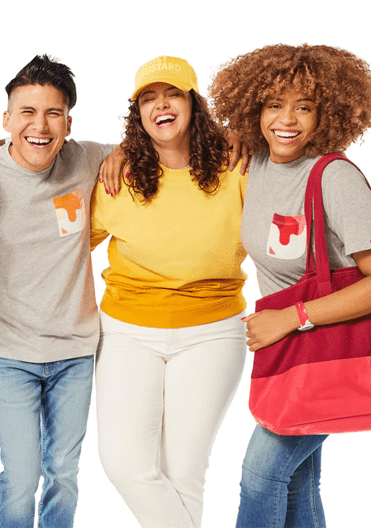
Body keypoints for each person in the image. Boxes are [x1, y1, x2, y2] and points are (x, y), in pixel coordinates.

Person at [210, 43, 371, 528]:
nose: (287, 120)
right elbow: (173, 132)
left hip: (328, 352)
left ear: (328, 114)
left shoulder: (333, 177)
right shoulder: (258, 160)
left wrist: (292, 317)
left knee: (261, 475)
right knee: (299, 482)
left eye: (304, 107)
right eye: (273, 105)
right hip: (288, 354)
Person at [90, 56, 248, 528]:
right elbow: (68, 245)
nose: (161, 104)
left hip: (213, 331)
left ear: (194, 104)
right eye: (148, 98)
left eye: (173, 94)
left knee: (184, 473)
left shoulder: (236, 167)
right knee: (124, 464)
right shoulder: (118, 178)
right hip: (126, 331)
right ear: (137, 114)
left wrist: (245, 134)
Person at [0, 54, 115, 528]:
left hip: (75, 350)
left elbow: (155, 143)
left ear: (68, 123)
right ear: (6, 120)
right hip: (6, 350)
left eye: (54, 113)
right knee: (21, 473)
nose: (40, 125)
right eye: (27, 112)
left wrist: (121, 154)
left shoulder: (86, 158)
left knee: (64, 472)